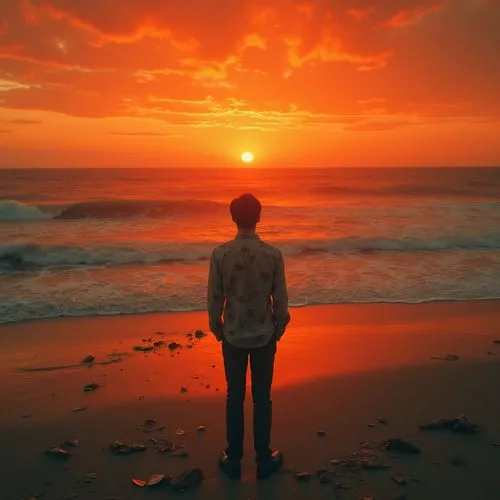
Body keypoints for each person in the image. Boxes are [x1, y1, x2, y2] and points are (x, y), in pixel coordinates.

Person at [207, 193, 291, 480]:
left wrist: (218, 330)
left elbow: (215, 299)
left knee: (234, 396)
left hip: (233, 334)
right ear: (259, 217)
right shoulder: (272, 254)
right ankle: (264, 459)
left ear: (233, 218)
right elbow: (281, 303)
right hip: (264, 336)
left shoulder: (221, 254)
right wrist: (276, 331)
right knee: (262, 397)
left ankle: (233, 460)